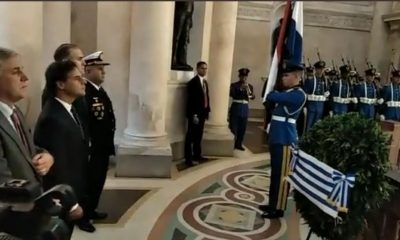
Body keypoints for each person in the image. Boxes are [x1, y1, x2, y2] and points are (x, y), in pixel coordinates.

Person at [0, 47, 82, 238]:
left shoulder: (15, 112)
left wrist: (47, 155)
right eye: (16, 72)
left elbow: (28, 149)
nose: (25, 78)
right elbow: (4, 185)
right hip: (13, 221)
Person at [34, 60, 93, 233]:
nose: (83, 81)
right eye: (76, 78)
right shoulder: (53, 118)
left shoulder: (68, 109)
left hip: (74, 188)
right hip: (62, 198)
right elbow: (57, 168)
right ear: (60, 84)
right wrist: (71, 204)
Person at [260, 61, 306, 219]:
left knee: (281, 175)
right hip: (277, 137)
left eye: (286, 75)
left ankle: (277, 208)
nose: (283, 78)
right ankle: (273, 203)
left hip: (285, 139)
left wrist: (272, 88)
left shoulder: (298, 94)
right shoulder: (288, 93)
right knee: (275, 174)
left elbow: (271, 96)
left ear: (296, 77)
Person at [80, 51, 115, 221]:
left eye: (103, 69)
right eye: (99, 69)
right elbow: (85, 122)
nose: (103, 72)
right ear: (87, 71)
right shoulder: (84, 92)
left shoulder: (99, 91)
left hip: (102, 146)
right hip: (93, 148)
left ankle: (92, 209)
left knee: (98, 181)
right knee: (90, 183)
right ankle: (84, 216)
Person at [41, 43, 85, 108]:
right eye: (79, 59)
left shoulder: (78, 86)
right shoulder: (55, 91)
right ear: (66, 62)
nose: (84, 63)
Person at [184, 61, 210, 166]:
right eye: (202, 68)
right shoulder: (193, 83)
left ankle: (197, 155)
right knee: (190, 136)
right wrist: (194, 115)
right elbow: (191, 101)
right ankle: (188, 159)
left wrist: (207, 110)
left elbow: (206, 97)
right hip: (195, 115)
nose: (204, 70)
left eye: (205, 68)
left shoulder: (205, 82)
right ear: (197, 69)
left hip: (203, 113)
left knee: (199, 135)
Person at [229, 68, 255, 151]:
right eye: (242, 76)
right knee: (234, 127)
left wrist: (250, 93)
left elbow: (251, 97)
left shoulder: (249, 86)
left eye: (245, 77)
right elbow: (232, 94)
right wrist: (240, 89)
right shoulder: (234, 85)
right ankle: (232, 144)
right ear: (239, 76)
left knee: (242, 128)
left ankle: (239, 144)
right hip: (236, 107)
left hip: (245, 109)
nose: (244, 78)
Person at [303, 61, 329, 131]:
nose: (321, 71)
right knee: (309, 124)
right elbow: (304, 94)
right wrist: (305, 106)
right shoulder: (310, 80)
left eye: (322, 69)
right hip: (311, 105)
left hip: (320, 105)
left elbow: (327, 93)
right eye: (319, 69)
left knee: (317, 125)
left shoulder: (324, 81)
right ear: (316, 69)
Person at [171, 2, 194, 70]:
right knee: (176, 36)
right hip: (180, 10)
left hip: (188, 13)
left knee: (185, 38)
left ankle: (182, 60)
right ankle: (173, 60)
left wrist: (190, 18)